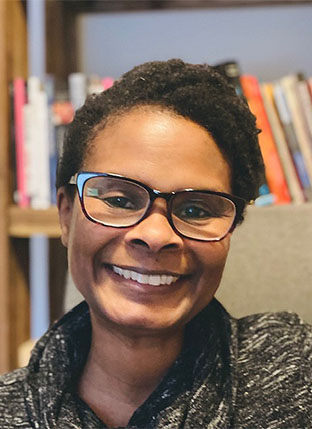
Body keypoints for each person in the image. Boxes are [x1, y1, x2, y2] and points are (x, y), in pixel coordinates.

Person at [0, 59, 311, 428]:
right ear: (66, 215)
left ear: (230, 232)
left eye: (195, 209)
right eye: (119, 201)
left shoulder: (291, 373)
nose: (155, 236)